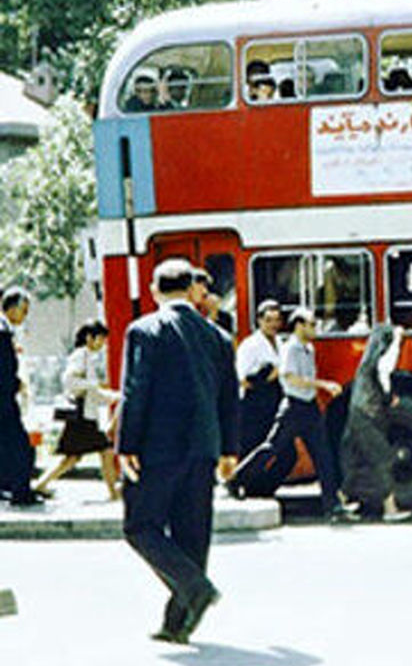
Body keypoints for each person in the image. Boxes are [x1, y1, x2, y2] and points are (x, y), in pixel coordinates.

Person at [118, 259, 239, 644]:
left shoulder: (144, 330)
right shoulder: (218, 336)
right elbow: (229, 398)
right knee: (193, 533)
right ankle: (177, 624)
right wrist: (228, 450)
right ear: (191, 290)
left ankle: (193, 587)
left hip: (158, 447)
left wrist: (127, 444)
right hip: (204, 446)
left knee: (140, 527)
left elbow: (135, 390)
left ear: (155, 291)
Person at [230, 308, 348, 520]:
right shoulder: (291, 348)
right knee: (271, 447)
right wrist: (322, 385)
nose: (315, 328)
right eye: (311, 324)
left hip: (309, 406)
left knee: (323, 456)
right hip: (293, 408)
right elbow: (289, 377)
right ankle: (235, 478)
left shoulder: (308, 348)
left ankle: (333, 505)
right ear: (299, 325)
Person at [35, 321, 121, 500]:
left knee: (73, 457)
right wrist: (96, 386)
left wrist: (112, 396)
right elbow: (69, 381)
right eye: (100, 339)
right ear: (89, 338)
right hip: (82, 416)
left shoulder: (87, 356)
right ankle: (113, 492)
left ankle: (40, 484)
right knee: (104, 451)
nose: (103, 343)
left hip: (84, 416)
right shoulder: (81, 356)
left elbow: (92, 393)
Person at [339, 324, 412, 522]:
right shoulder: (382, 359)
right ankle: (390, 509)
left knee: (358, 460)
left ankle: (340, 502)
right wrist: (397, 337)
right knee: (383, 457)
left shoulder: (365, 363)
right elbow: (384, 371)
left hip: (358, 413)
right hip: (368, 415)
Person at [0, 287, 40, 507]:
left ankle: (11, 488)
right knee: (21, 447)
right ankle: (20, 492)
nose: (24, 316)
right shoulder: (2, 333)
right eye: (24, 310)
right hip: (4, 401)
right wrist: (15, 384)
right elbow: (4, 370)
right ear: (12, 308)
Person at [235, 299, 285, 456]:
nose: (273, 324)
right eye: (268, 320)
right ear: (259, 321)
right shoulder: (250, 345)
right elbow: (242, 378)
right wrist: (268, 377)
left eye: (277, 320)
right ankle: (244, 480)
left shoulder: (280, 342)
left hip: (275, 399)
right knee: (253, 448)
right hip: (255, 403)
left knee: (281, 451)